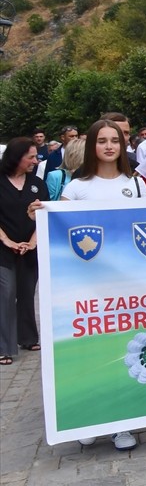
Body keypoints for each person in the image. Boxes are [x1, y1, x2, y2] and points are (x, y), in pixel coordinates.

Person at [58, 119, 146, 451]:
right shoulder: (78, 186)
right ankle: (90, 417)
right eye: (102, 141)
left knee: (124, 352)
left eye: (115, 140)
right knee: (94, 352)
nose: (109, 146)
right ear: (91, 145)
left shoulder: (136, 184)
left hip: (126, 284)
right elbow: (57, 220)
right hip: (88, 284)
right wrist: (39, 212)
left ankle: (122, 424)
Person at [0, 137, 48, 368]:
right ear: (16, 157)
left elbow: (45, 215)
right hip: (2, 249)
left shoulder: (37, 183)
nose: (35, 160)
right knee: (6, 293)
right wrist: (7, 240)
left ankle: (28, 338)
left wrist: (32, 242)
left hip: (30, 248)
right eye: (30, 156)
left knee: (27, 292)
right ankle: (4, 346)